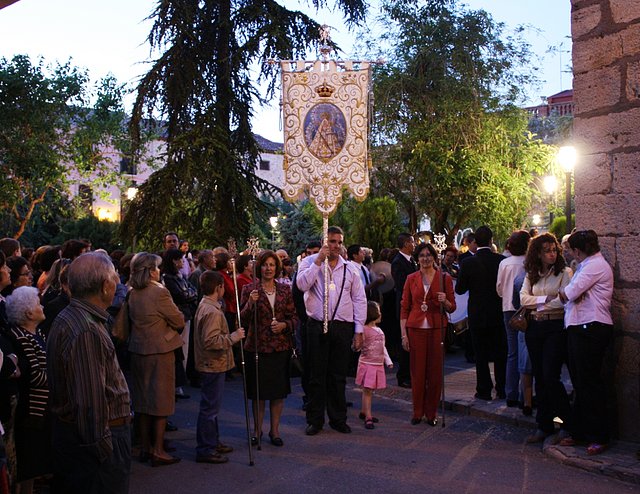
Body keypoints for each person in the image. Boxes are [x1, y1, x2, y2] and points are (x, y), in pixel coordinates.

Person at [47, 252, 131, 493]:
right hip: (96, 447)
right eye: (115, 279)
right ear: (105, 286)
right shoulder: (85, 329)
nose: (117, 284)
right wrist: (103, 449)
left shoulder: (76, 317)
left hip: (83, 442)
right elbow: (89, 402)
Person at [296, 227, 366, 435]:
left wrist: (359, 329)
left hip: (341, 327)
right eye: (331, 241)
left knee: (338, 376)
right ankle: (315, 420)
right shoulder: (308, 263)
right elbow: (301, 285)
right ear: (324, 241)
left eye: (338, 242)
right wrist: (317, 261)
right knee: (316, 375)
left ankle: (338, 418)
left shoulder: (349, 268)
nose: (335, 246)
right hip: (316, 325)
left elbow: (359, 299)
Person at [559, 230, 614, 455]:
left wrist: (567, 293)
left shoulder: (592, 266)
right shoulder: (587, 265)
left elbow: (567, 294)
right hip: (582, 326)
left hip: (590, 327)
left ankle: (599, 435)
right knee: (581, 382)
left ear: (578, 250)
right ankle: (580, 430)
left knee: (589, 382)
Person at [127, 252, 185, 466]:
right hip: (159, 351)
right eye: (157, 267)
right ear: (151, 270)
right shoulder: (159, 292)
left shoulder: (132, 292)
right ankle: (158, 449)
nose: (159, 270)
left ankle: (145, 446)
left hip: (138, 349)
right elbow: (178, 319)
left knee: (142, 402)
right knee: (161, 402)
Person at [240, 250, 298, 446]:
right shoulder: (250, 289)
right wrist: (250, 303)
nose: (268, 269)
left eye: (272, 265)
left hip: (279, 347)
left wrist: (284, 326)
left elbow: (295, 318)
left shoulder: (284, 290)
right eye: (265, 265)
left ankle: (275, 430)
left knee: (277, 392)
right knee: (258, 393)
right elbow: (243, 320)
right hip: (257, 346)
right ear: (259, 267)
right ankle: (257, 430)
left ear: (277, 268)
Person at [520, 233, 573, 445]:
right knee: (540, 377)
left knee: (551, 375)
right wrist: (544, 300)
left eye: (554, 250)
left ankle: (566, 423)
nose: (552, 254)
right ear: (538, 254)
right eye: (547, 251)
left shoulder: (564, 272)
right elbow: (523, 298)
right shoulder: (531, 274)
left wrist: (537, 303)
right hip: (534, 327)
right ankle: (544, 425)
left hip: (555, 327)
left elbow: (563, 301)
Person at [400, 242, 456, 426]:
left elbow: (452, 308)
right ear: (417, 258)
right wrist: (404, 335)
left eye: (428, 255)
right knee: (417, 372)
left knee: (435, 373)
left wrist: (445, 301)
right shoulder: (411, 278)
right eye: (422, 255)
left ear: (434, 257)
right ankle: (417, 412)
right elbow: (404, 308)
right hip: (415, 329)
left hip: (436, 328)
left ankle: (431, 413)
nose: (425, 258)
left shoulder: (444, 278)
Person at [193, 270, 245, 463]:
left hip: (211, 363)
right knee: (210, 408)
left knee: (211, 407)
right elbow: (211, 340)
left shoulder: (206, 306)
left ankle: (212, 441)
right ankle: (205, 448)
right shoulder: (212, 311)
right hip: (212, 364)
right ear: (219, 288)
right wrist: (233, 337)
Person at [5, 287, 50, 494]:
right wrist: (58, 377)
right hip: (32, 411)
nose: (41, 306)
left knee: (32, 466)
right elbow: (34, 375)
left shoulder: (37, 332)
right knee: (27, 466)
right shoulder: (21, 336)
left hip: (40, 408)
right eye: (37, 303)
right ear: (29, 313)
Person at [455, 225, 506, 401]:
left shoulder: (468, 262)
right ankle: (502, 387)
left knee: (480, 353)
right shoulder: (500, 260)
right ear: (491, 241)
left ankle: (484, 389)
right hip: (498, 312)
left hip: (477, 312)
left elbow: (460, 289)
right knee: (500, 352)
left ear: (475, 241)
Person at [496, 230, 531, 407]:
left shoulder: (504, 263)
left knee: (512, 352)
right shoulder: (528, 263)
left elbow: (499, 287)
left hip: (508, 308)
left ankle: (511, 393)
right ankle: (527, 395)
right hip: (526, 309)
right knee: (527, 351)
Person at [161, 248, 197, 399]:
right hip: (178, 318)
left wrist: (189, 294)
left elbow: (191, 291)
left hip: (185, 315)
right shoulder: (168, 279)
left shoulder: (180, 276)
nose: (183, 262)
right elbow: (181, 295)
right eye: (181, 259)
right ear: (174, 261)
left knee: (185, 350)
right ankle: (175, 385)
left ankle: (178, 384)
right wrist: (189, 295)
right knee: (180, 350)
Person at [356, 301, 393, 430]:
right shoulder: (364, 330)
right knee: (368, 391)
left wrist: (388, 361)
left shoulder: (380, 330)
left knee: (368, 390)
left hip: (376, 364)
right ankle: (368, 417)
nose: (381, 314)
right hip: (367, 364)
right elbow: (358, 345)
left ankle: (363, 411)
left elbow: (383, 348)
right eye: (378, 311)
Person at [391, 233, 417, 388]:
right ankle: (403, 376)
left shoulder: (411, 260)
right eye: (412, 242)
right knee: (404, 341)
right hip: (404, 306)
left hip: (413, 305)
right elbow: (401, 284)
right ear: (406, 244)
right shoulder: (398, 262)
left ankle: (410, 373)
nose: (414, 245)